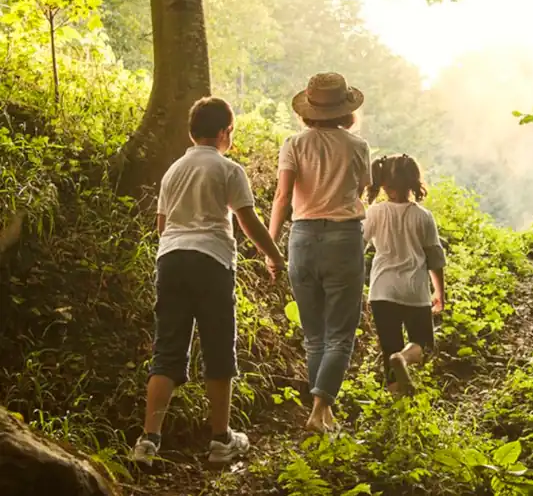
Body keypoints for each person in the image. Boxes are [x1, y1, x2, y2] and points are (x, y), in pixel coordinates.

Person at [132, 97, 285, 466]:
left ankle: (149, 442)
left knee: (167, 350)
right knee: (218, 348)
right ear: (223, 132)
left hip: (170, 260)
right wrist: (275, 255)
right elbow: (247, 222)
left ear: (191, 131)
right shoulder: (228, 170)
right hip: (212, 261)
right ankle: (220, 440)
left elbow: (161, 226)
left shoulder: (173, 171)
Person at [269, 72, 371, 432]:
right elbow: (363, 191)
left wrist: (271, 248)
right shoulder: (358, 147)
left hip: (301, 238)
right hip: (344, 239)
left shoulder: (293, 144)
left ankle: (322, 413)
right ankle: (319, 409)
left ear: (308, 110)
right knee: (341, 334)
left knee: (314, 336)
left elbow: (282, 198)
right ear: (346, 111)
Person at [363, 154, 446, 396]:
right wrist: (439, 291)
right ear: (413, 183)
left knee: (388, 347)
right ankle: (404, 357)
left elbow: (358, 246)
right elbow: (434, 257)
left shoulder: (375, 212)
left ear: (384, 184)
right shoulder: (423, 216)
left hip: (382, 290)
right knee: (423, 344)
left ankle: (397, 399)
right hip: (414, 290)